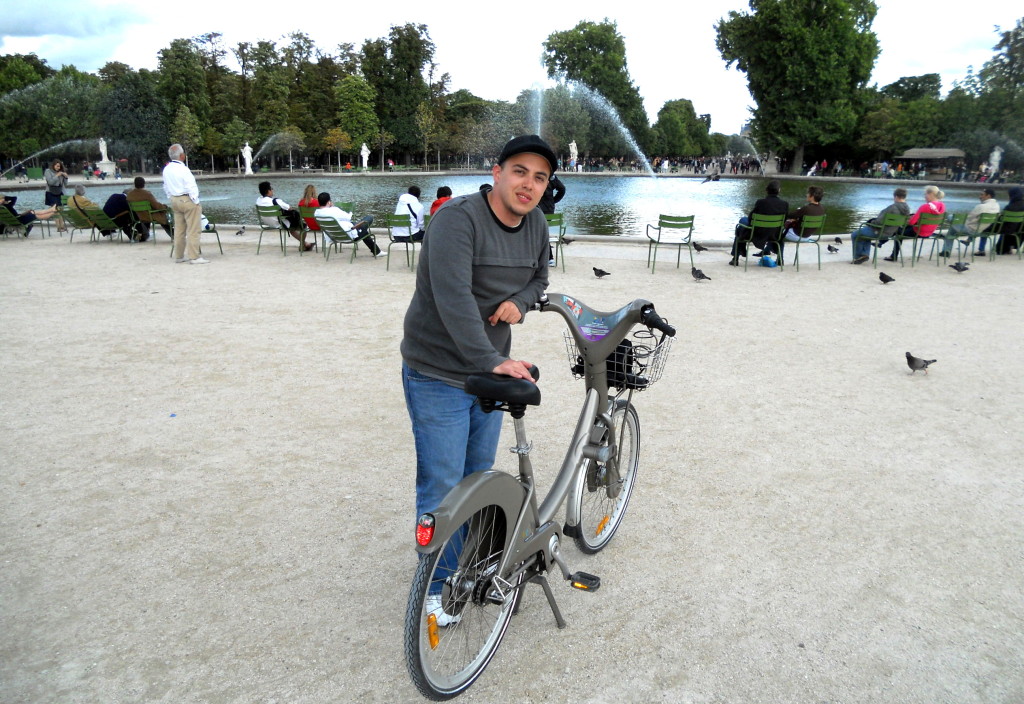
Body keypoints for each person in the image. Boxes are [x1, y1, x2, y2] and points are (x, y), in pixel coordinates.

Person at [400, 134, 553, 622]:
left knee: (476, 479)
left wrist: (521, 303)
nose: (529, 184)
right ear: (497, 172)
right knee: (443, 484)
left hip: (488, 372)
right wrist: (489, 360)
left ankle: (468, 563)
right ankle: (438, 588)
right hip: (438, 372)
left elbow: (539, 278)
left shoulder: (537, 226)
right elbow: (454, 300)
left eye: (540, 177)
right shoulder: (456, 221)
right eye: (520, 171)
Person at [162, 143, 207, 264]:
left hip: (175, 200)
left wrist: (170, 197)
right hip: (187, 200)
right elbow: (191, 186)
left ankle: (179, 255)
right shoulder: (183, 169)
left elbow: (165, 186)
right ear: (182, 156)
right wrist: (195, 201)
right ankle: (194, 256)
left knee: (179, 229)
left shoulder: (167, 169)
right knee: (193, 229)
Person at [730, 179, 789, 265]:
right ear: (779, 191)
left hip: (757, 233)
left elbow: (751, 219)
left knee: (741, 224)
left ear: (766, 190)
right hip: (775, 234)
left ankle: (736, 258)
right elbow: (784, 220)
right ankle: (780, 259)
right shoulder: (785, 204)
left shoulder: (760, 202)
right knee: (743, 222)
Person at [885, 185, 945, 262]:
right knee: (902, 229)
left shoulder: (925, 206)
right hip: (929, 232)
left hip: (918, 232)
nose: (924, 197)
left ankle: (893, 255)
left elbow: (911, 222)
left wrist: (911, 218)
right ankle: (883, 243)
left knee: (897, 231)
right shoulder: (942, 206)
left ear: (931, 194)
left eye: (925, 194)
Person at [851, 188, 910, 264]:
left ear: (895, 196)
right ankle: (864, 255)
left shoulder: (892, 208)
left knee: (855, 234)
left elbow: (879, 222)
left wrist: (871, 222)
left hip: (879, 231)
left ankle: (858, 257)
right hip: (891, 233)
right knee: (864, 234)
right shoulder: (907, 209)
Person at [313, 192, 380, 256]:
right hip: (348, 236)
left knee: (359, 227)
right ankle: (377, 251)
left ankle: (376, 251)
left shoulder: (317, 213)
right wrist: (349, 212)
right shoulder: (334, 210)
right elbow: (348, 217)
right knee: (368, 219)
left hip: (333, 236)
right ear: (329, 202)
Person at [256, 181, 310, 251]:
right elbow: (289, 208)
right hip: (279, 223)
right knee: (304, 226)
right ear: (268, 191)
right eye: (272, 189)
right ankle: (303, 245)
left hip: (267, 222)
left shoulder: (258, 200)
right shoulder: (275, 201)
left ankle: (305, 244)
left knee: (291, 227)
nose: (272, 190)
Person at [946, 187, 1000, 256]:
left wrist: (953, 221)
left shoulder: (981, 207)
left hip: (973, 231)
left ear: (988, 196)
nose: (979, 197)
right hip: (986, 229)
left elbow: (968, 218)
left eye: (982, 195)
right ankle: (970, 241)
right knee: (980, 224)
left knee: (952, 224)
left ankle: (946, 251)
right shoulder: (997, 206)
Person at [781, 186, 826, 257]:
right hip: (808, 236)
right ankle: (768, 250)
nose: (807, 195)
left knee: (778, 230)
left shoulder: (806, 208)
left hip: (798, 235)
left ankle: (778, 257)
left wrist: (798, 212)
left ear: (812, 196)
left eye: (808, 193)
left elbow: (789, 215)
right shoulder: (822, 209)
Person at [125, 176, 171, 242]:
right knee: (163, 214)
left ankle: (147, 233)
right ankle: (173, 233)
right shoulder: (147, 194)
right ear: (144, 184)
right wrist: (165, 207)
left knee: (149, 212)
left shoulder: (129, 195)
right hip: (149, 216)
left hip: (137, 217)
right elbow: (156, 206)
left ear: (134, 184)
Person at [994, 186, 1024, 256]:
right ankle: (1013, 246)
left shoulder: (1010, 207)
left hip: (1008, 229)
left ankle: (1004, 248)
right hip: (1020, 229)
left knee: (1005, 226)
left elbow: (1001, 219)